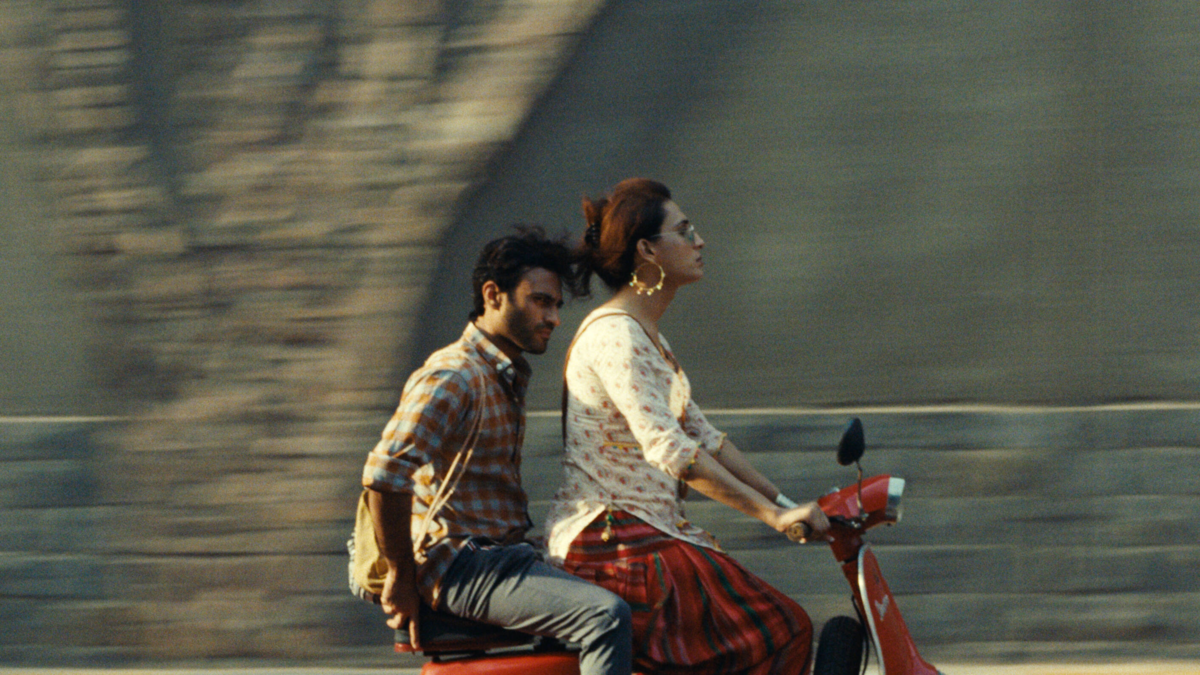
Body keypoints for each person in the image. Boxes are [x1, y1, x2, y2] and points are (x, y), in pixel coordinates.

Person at [544, 179, 830, 675]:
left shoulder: (649, 338)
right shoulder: (616, 336)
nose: (700, 242)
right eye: (685, 231)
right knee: (780, 629)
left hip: (646, 532)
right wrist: (770, 516)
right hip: (611, 540)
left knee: (783, 627)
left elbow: (706, 439)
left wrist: (786, 505)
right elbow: (672, 449)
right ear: (647, 250)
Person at [359, 226, 633, 675]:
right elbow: (384, 476)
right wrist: (401, 575)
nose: (553, 318)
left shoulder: (502, 376)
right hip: (463, 565)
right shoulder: (456, 375)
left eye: (556, 305)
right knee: (605, 616)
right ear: (493, 295)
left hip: (503, 556)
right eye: (540, 301)